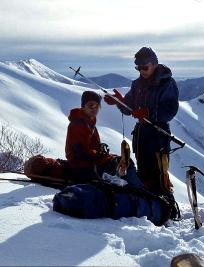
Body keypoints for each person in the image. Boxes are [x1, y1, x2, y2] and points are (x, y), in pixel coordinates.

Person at [104, 47, 179, 196]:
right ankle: (147, 202)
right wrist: (119, 101)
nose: (141, 71)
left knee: (158, 171)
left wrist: (149, 113)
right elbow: (129, 108)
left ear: (155, 64)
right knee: (143, 170)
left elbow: (170, 110)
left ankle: (163, 204)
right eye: (138, 67)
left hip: (158, 134)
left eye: (145, 67)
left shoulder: (167, 83)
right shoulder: (137, 84)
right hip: (142, 134)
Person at [65, 91, 115, 181]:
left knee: (118, 161)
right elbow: (80, 153)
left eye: (97, 106)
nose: (94, 109)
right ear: (83, 106)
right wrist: (99, 154)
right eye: (91, 105)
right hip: (80, 167)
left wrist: (100, 150)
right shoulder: (78, 124)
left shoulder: (89, 123)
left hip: (88, 164)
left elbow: (92, 148)